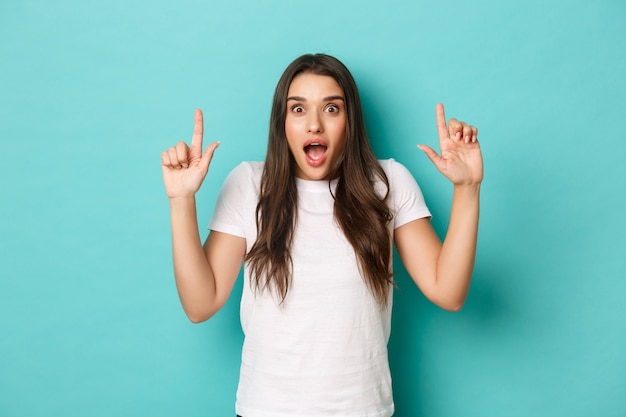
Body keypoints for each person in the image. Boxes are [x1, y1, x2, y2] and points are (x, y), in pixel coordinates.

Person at [161, 53, 483, 417]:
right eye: (298, 110)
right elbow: (200, 304)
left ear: (350, 120)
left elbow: (449, 291)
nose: (314, 124)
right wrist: (181, 200)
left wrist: (468, 188)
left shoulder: (389, 183)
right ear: (282, 122)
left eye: (331, 109)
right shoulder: (249, 185)